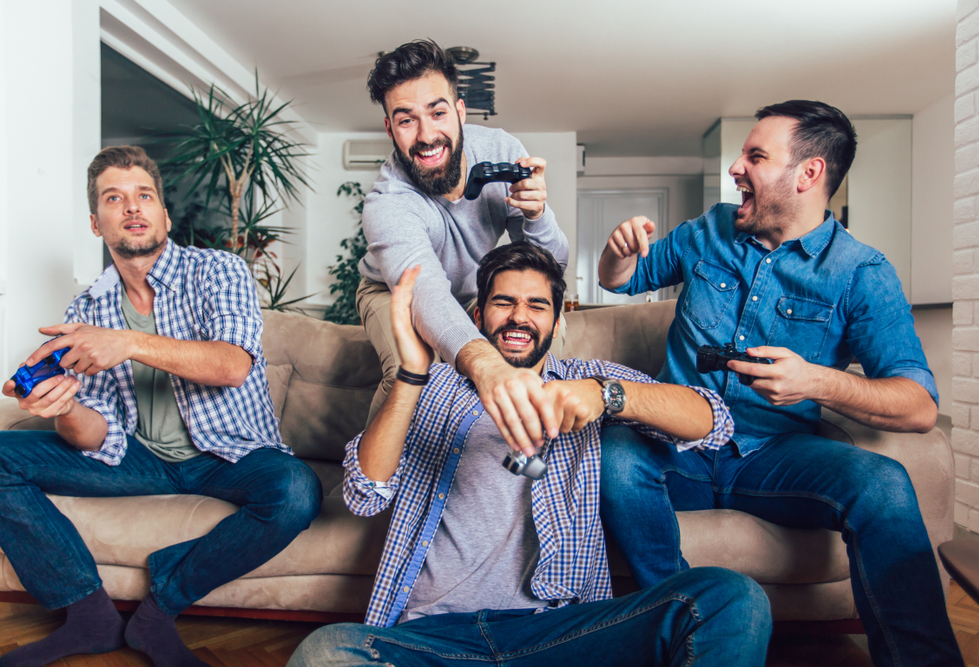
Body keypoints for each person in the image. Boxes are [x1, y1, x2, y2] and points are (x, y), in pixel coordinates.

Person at [597, 100, 963, 667]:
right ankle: (680, 623)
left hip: (775, 459)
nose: (736, 168)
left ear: (808, 173)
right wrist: (616, 256)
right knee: (615, 451)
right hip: (678, 444)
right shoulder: (711, 230)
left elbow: (918, 406)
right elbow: (623, 279)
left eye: (756, 156)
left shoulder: (861, 272)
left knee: (885, 483)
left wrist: (817, 382)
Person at [289, 242, 771, 667]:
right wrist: (411, 374)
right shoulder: (433, 386)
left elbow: (714, 422)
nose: (520, 316)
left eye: (537, 305)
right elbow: (363, 495)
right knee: (326, 651)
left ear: (559, 321)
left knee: (732, 598)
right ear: (476, 319)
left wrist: (608, 395)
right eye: (504, 303)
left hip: (559, 632)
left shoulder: (588, 378)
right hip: (432, 637)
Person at [0, 146, 322, 667]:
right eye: (114, 198)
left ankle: (158, 609)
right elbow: (94, 435)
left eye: (143, 195)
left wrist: (126, 342)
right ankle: (88, 615)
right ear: (95, 222)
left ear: (164, 214)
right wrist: (62, 406)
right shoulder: (87, 310)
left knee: (296, 491)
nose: (132, 207)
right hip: (139, 457)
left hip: (229, 453)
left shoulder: (219, 271)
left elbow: (232, 365)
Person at [358, 39, 570, 453]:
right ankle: (379, 482)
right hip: (394, 290)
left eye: (437, 113)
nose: (426, 136)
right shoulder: (386, 204)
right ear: (389, 129)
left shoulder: (501, 150)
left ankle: (538, 468)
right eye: (406, 121)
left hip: (476, 287)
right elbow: (428, 296)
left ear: (460, 111)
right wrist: (487, 366)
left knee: (548, 344)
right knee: (410, 366)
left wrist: (536, 215)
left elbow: (551, 271)